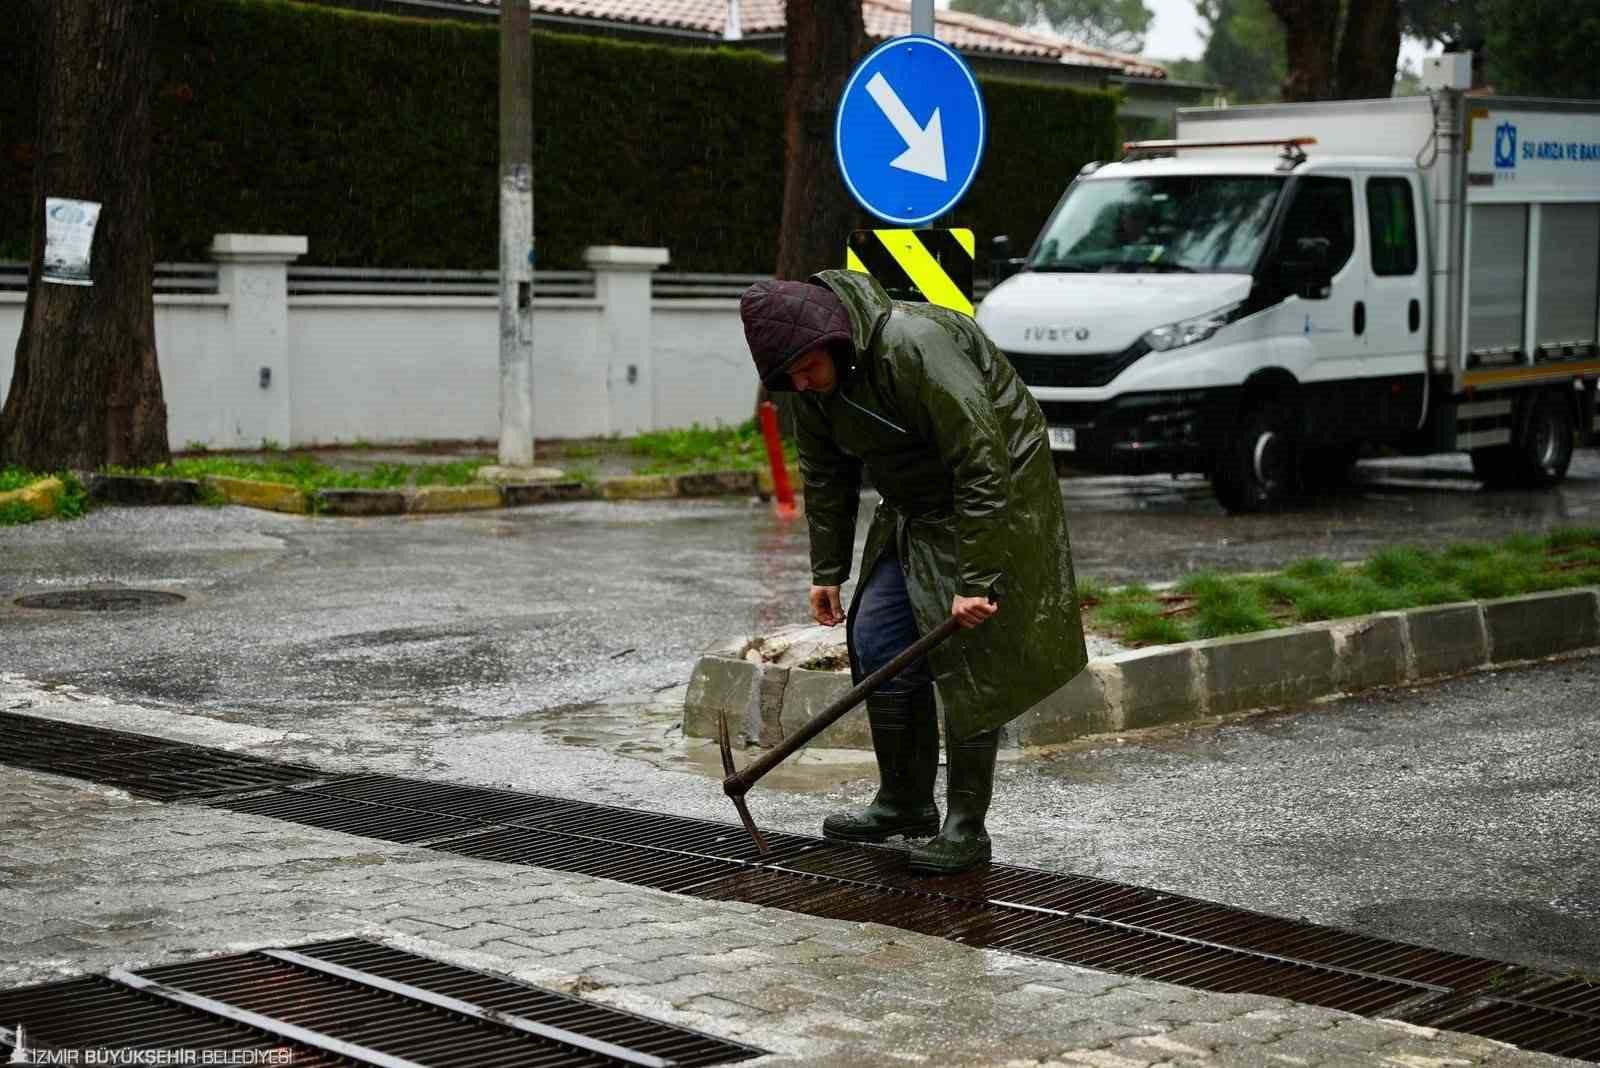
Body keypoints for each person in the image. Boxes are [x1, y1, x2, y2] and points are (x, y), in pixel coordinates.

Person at [739, 271, 1088, 875]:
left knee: (968, 659)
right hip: (915, 508)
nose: (800, 385)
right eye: (787, 379)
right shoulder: (810, 385)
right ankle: (904, 802)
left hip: (997, 492)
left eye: (805, 370)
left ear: (833, 340)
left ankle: (966, 827)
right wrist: (828, 569)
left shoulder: (913, 345)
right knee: (877, 639)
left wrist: (975, 579)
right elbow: (825, 474)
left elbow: (982, 459)